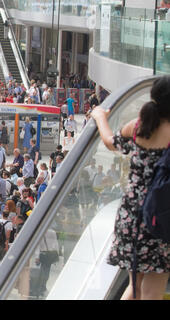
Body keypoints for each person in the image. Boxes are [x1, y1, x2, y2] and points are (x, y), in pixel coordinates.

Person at [91, 76, 170, 300]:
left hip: (132, 216)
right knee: (153, 290)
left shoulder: (140, 126)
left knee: (135, 287)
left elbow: (109, 141)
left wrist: (99, 116)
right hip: (161, 217)